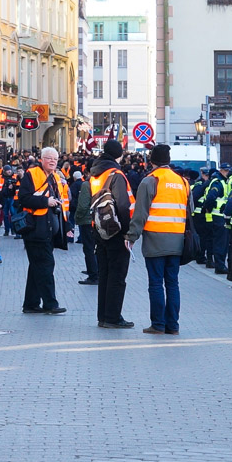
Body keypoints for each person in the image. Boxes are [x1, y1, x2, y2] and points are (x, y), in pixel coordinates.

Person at [126, 144, 187, 335]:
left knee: (155, 283)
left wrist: (131, 236)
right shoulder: (182, 182)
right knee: (172, 283)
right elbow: (189, 211)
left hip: (155, 239)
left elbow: (140, 213)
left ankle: (158, 324)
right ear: (168, 161)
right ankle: (173, 326)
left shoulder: (150, 181)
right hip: (177, 239)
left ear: (151, 161)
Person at [19, 147, 71, 315]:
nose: (52, 161)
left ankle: (31, 304)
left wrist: (67, 226)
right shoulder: (32, 174)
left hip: (49, 229)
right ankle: (50, 304)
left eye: (55, 159)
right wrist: (45, 202)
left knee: (36, 267)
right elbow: (23, 199)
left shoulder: (56, 177)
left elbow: (62, 203)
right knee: (46, 265)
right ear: (41, 159)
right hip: (35, 229)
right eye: (49, 158)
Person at [90, 140, 136, 329]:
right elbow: (124, 206)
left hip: (100, 229)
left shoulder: (95, 174)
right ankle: (113, 317)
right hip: (116, 231)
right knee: (117, 276)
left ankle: (103, 316)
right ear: (119, 155)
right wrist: (128, 232)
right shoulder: (116, 174)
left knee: (105, 274)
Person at [201, 162, 232, 275]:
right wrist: (210, 208)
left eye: (228, 171)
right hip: (218, 215)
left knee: (220, 241)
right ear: (221, 171)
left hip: (219, 215)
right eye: (225, 171)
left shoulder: (223, 181)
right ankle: (220, 265)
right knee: (220, 242)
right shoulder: (218, 183)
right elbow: (210, 198)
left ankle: (219, 264)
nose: (227, 173)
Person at [75, 172, 98, 286]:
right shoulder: (104, 183)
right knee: (97, 248)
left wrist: (77, 217)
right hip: (100, 220)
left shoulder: (87, 184)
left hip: (87, 220)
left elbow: (83, 205)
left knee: (88, 248)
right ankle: (97, 271)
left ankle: (93, 275)